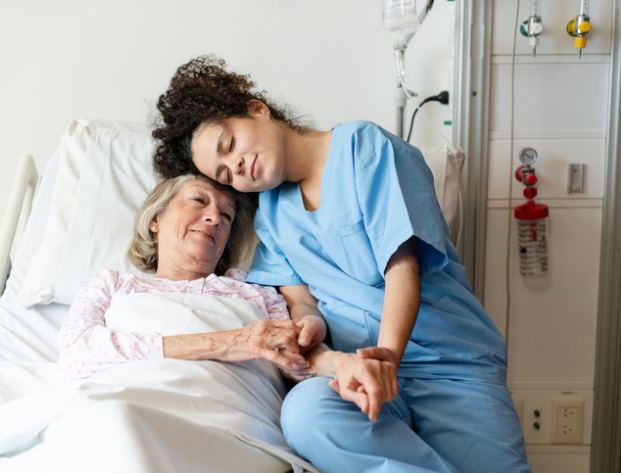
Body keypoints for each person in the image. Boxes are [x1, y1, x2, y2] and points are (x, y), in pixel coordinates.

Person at [150, 55, 531, 473]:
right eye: (226, 174)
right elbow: (301, 303)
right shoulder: (273, 219)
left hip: (450, 367)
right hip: (356, 378)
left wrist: (386, 357)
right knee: (305, 413)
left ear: (256, 109)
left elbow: (402, 267)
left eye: (230, 145)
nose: (237, 167)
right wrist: (311, 326)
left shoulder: (365, 148)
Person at [59, 173, 324, 379]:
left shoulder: (256, 289)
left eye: (227, 216)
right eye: (199, 201)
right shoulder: (110, 286)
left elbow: (295, 364)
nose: (215, 218)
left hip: (226, 414)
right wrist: (227, 343)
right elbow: (76, 357)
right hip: (122, 401)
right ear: (156, 218)